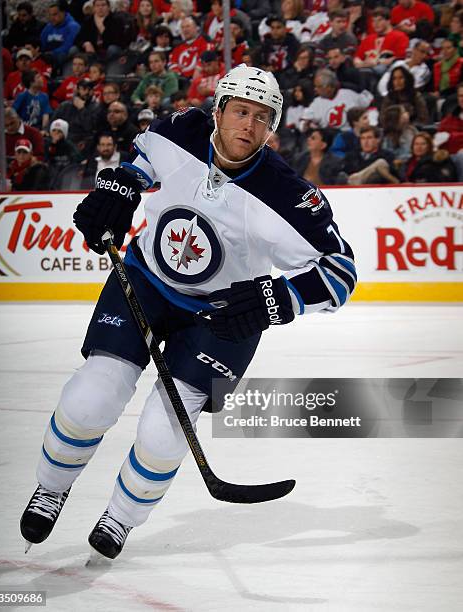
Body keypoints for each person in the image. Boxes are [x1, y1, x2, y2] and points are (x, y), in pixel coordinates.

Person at [19, 64, 356, 561]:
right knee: (91, 397)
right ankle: (51, 487)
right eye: (240, 111)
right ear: (218, 110)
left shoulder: (290, 196)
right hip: (147, 281)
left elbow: (340, 271)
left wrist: (275, 299)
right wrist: (121, 187)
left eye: (263, 118)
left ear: (275, 127)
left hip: (224, 315)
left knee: (162, 432)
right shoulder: (180, 130)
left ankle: (121, 517)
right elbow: (143, 162)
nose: (249, 126)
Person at [40, 0, 81, 68]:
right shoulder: (48, 26)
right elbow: (42, 44)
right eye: (50, 15)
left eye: (55, 14)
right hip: (48, 57)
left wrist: (51, 54)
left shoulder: (73, 26)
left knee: (73, 49)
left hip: (65, 59)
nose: (52, 18)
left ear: (63, 13)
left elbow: (67, 47)